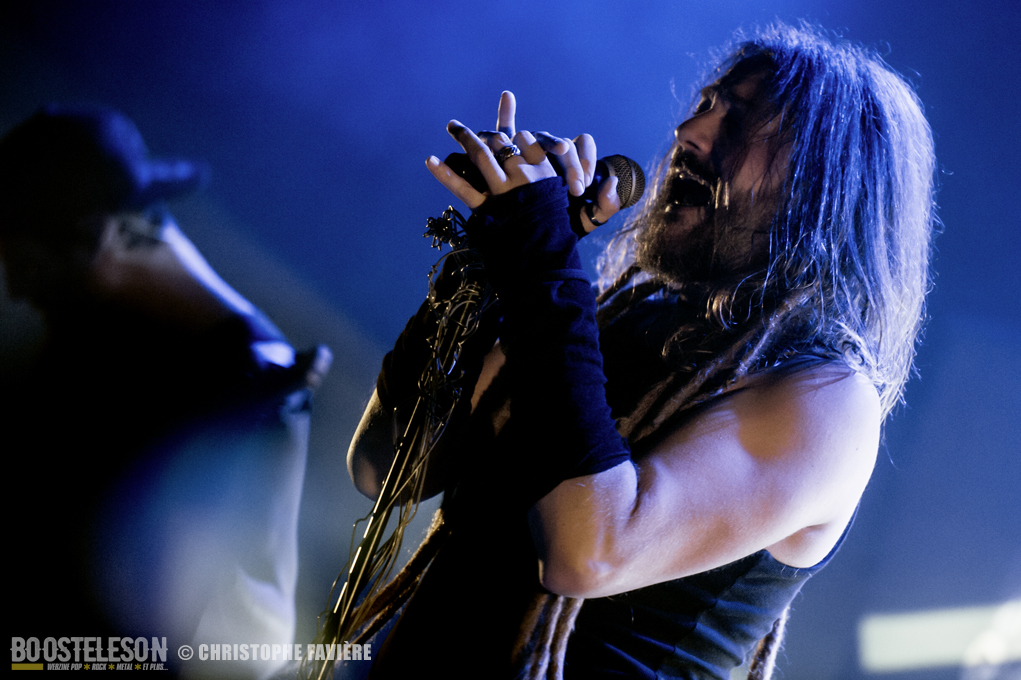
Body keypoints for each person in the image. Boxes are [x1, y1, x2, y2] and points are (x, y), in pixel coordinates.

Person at [345, 22, 935, 680]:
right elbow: (383, 466)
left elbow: (588, 551)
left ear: (822, 185)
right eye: (704, 104)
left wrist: (543, 259)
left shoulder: (826, 399)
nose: (689, 131)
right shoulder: (618, 317)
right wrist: (487, 270)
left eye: (738, 119)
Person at [0, 106, 330, 679]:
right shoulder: (102, 344)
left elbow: (248, 644)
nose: (18, 290)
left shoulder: (255, 393)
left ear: (103, 231)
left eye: (29, 264)